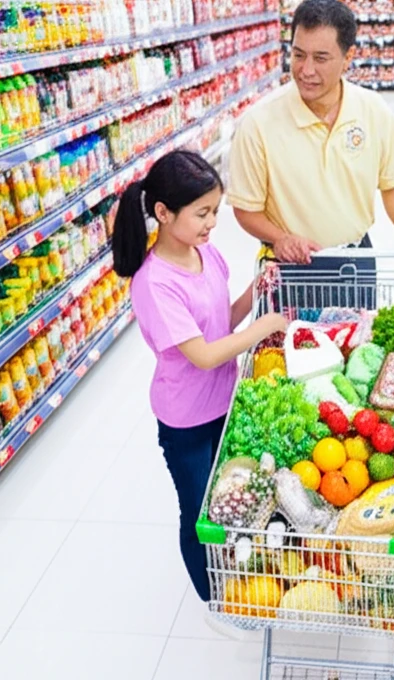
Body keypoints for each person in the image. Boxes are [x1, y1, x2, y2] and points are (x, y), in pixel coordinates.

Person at [111, 150, 287, 613]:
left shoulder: (205, 253)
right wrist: (263, 329)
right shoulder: (154, 283)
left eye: (215, 210)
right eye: (203, 213)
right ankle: (213, 600)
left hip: (224, 403)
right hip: (186, 420)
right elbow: (205, 355)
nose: (213, 223)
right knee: (199, 513)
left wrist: (259, 287)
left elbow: (221, 324)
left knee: (231, 499)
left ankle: (234, 574)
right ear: (164, 214)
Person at [227, 0, 394, 278]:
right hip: (290, 267)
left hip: (357, 259)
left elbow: (393, 186)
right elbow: (246, 209)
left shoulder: (373, 111)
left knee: (362, 324)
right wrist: (280, 238)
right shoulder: (258, 123)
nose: (306, 70)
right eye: (298, 55)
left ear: (348, 56)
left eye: (320, 58)